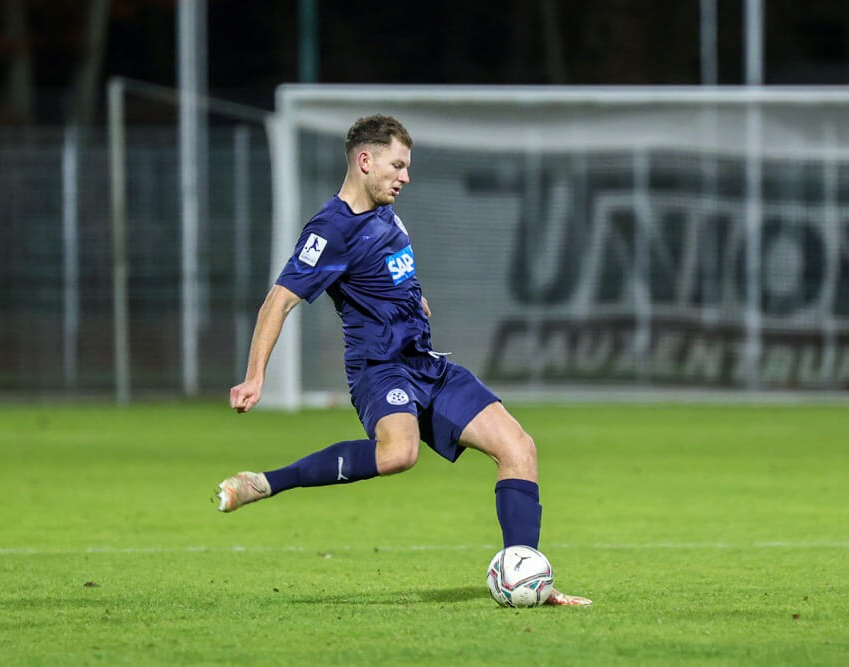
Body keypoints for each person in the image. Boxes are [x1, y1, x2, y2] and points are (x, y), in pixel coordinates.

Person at [216, 114, 591, 606]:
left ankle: (527, 576)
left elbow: (394, 271)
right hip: (380, 368)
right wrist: (254, 377)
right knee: (399, 454)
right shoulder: (330, 230)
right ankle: (264, 483)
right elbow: (278, 301)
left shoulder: (387, 212)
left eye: (407, 166)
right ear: (364, 160)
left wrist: (417, 299)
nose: (405, 176)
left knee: (519, 447)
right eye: (397, 165)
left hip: (425, 364)